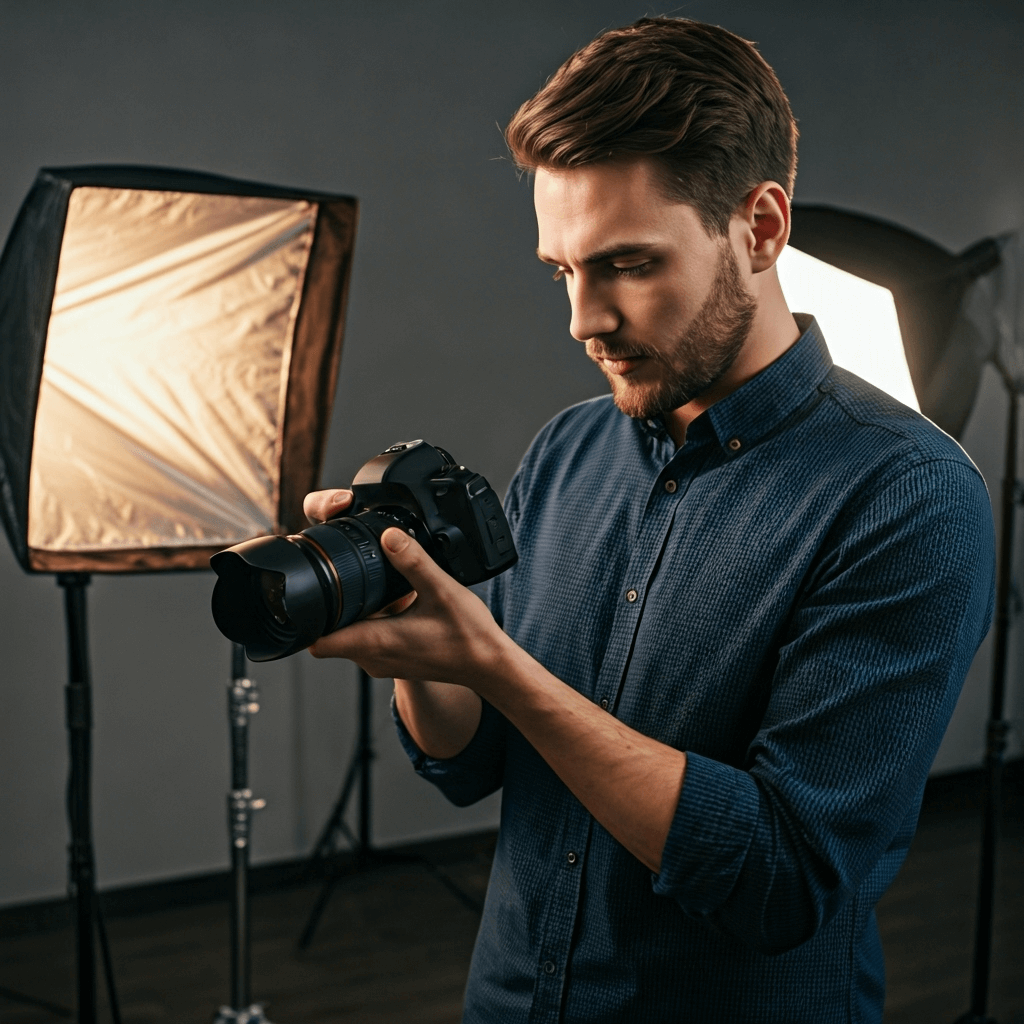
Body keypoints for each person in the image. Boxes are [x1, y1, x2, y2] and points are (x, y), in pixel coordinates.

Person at [304, 17, 995, 1024]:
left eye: (626, 264)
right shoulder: (568, 448)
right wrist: (423, 638)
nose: (582, 319)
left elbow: (784, 876)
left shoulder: (908, 496)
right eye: (563, 270)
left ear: (760, 229)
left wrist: (499, 665)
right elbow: (469, 762)